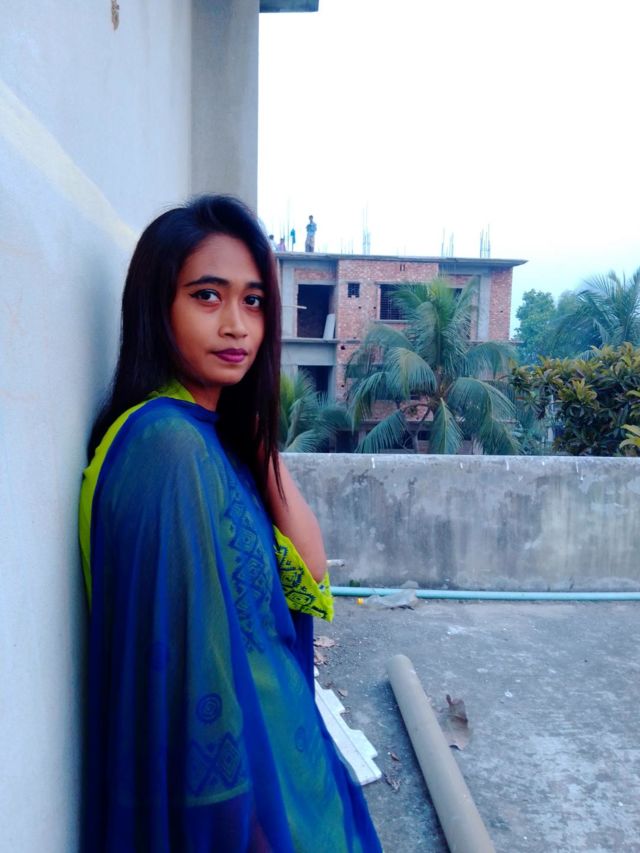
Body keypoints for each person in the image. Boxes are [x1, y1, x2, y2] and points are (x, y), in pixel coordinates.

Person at [79, 194, 381, 852]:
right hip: (245, 805)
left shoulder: (212, 438)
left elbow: (310, 577)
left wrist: (259, 437)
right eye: (208, 296)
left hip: (286, 767)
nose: (237, 326)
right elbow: (191, 677)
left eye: (254, 301)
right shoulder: (168, 448)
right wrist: (246, 829)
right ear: (157, 306)